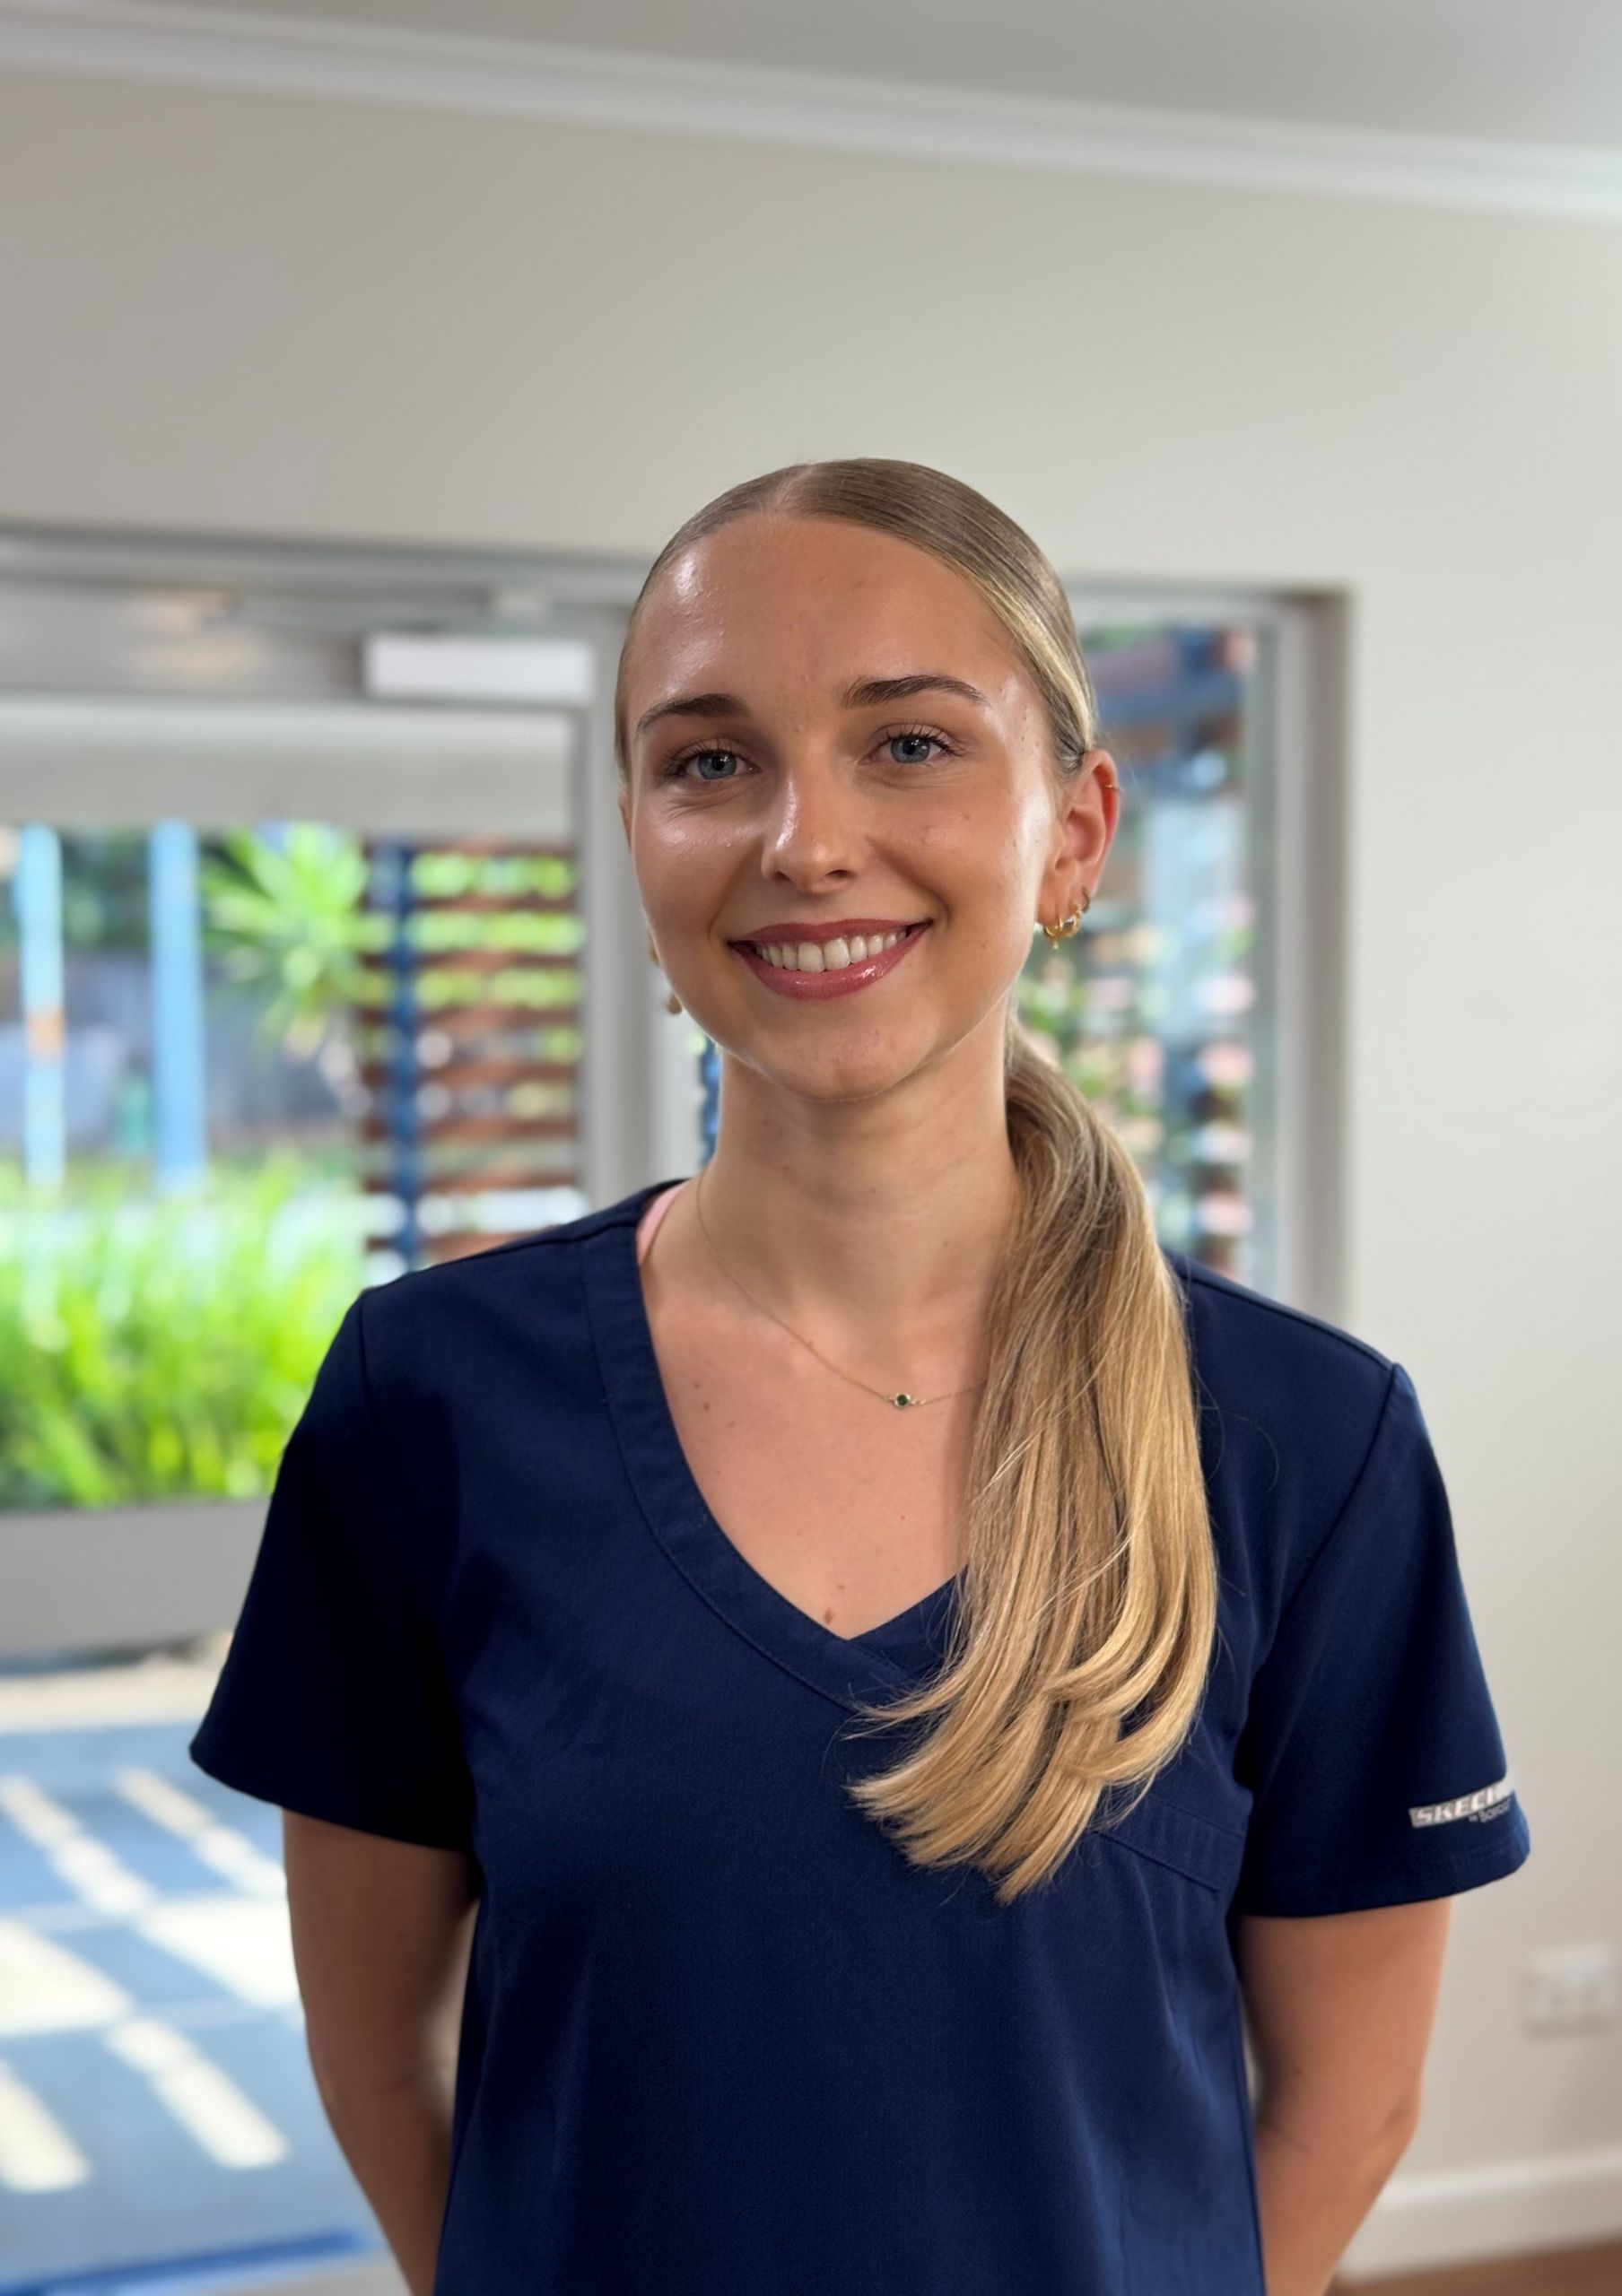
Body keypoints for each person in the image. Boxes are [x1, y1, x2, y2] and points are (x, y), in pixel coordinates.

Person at [189, 457, 1530, 2296]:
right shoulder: (429, 1402)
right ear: (643, 834)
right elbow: (381, 2052)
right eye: (710, 759)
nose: (803, 839)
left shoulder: (1311, 1442)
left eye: (907, 744)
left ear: (1073, 832)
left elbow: (1348, 2103)